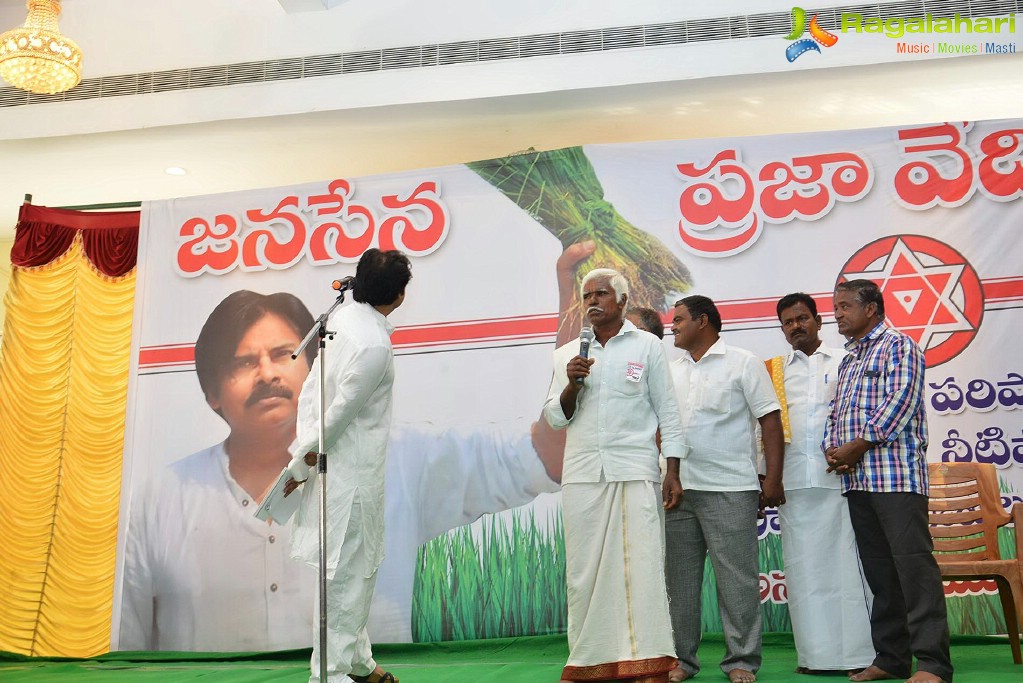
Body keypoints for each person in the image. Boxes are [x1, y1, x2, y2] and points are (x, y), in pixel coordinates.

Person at [119, 290, 319, 651]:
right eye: (243, 363)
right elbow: (129, 647)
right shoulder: (159, 497)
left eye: (283, 354)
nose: (266, 374)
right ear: (213, 393)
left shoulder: (364, 478)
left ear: (314, 367)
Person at [543, 268, 685, 683]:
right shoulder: (568, 354)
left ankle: (650, 661)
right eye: (587, 294)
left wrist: (672, 470)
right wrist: (571, 383)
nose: (592, 301)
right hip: (584, 474)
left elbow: (669, 413)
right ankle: (590, 662)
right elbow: (555, 417)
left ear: (622, 302)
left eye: (601, 294)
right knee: (584, 571)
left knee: (642, 566)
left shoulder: (648, 348)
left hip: (635, 470)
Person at [284, 248, 411, 683]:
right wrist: (302, 462)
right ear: (399, 293)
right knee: (345, 578)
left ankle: (358, 662)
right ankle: (332, 673)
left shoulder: (340, 322)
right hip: (348, 476)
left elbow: (313, 396)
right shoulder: (372, 343)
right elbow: (337, 413)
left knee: (353, 573)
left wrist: (304, 452)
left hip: (335, 468)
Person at [823, 279, 953, 683]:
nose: (837, 313)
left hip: (895, 478)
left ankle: (933, 664)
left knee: (914, 571)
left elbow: (901, 403)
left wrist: (857, 446)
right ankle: (892, 658)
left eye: (845, 306)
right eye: (836, 306)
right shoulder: (848, 360)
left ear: (872, 309)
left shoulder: (900, 346)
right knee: (880, 574)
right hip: (858, 481)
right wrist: (834, 449)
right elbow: (837, 413)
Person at [665, 295, 784, 683]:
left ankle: (741, 662)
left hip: (730, 488)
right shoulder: (670, 368)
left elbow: (770, 421)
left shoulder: (743, 362)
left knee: (737, 580)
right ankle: (682, 661)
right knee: (678, 583)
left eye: (679, 319)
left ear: (703, 321)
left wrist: (772, 478)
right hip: (677, 491)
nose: (673, 326)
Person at [768, 293, 873, 675]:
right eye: (787, 322)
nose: (795, 327)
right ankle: (815, 657)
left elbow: (863, 413)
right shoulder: (774, 370)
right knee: (803, 570)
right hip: (795, 484)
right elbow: (765, 429)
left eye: (801, 319)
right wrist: (768, 476)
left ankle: (860, 656)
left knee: (850, 568)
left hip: (844, 481)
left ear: (817, 320)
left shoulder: (847, 362)